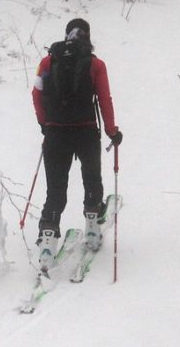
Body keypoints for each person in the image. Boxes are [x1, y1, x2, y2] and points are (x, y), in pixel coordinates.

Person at [30, 18, 122, 270]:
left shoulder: (48, 62)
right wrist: (112, 131)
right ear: (87, 37)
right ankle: (92, 226)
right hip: (86, 132)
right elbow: (105, 99)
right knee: (91, 178)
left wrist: (44, 123)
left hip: (56, 135)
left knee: (55, 190)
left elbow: (36, 94)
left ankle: (48, 244)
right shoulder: (96, 64)